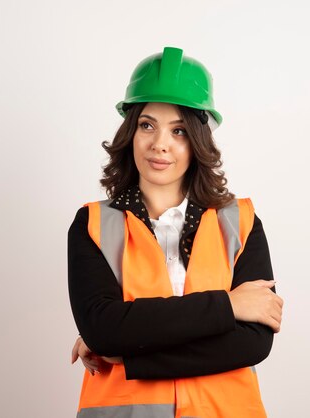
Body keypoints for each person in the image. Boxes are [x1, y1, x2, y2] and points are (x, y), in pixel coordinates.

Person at [67, 46, 283, 418]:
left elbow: (252, 343)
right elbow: (103, 329)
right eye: (147, 125)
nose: (160, 144)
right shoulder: (92, 225)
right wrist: (229, 305)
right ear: (130, 132)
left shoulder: (241, 221)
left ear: (198, 141)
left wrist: (132, 354)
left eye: (179, 130)